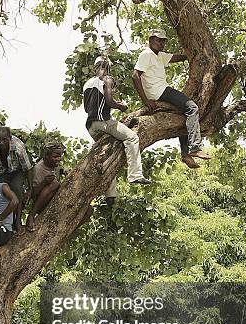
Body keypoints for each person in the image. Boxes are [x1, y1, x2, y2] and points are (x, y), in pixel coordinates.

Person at [132, 29, 211, 169]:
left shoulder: (159, 56)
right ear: (151, 40)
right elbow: (135, 76)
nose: (162, 43)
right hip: (159, 91)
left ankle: (185, 155)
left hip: (161, 90)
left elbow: (176, 57)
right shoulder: (146, 54)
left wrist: (191, 54)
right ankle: (196, 147)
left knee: (184, 114)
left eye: (163, 40)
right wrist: (145, 100)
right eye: (158, 40)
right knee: (192, 108)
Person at [84, 56, 150, 205]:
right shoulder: (107, 79)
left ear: (95, 67)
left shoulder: (87, 84)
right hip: (104, 122)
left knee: (108, 153)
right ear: (107, 67)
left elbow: (87, 108)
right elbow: (108, 100)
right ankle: (135, 175)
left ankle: (110, 195)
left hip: (91, 126)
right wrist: (120, 106)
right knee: (132, 137)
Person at [0, 126, 32, 232]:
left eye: (4, 140)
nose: (1, 143)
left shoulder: (19, 147)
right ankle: (4, 221)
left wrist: (30, 189)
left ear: (10, 138)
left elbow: (28, 168)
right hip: (4, 169)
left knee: (16, 187)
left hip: (18, 170)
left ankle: (18, 220)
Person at [26, 141, 65, 232]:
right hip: (41, 203)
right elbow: (33, 194)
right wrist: (44, 182)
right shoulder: (38, 169)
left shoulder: (55, 165)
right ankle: (31, 216)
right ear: (46, 156)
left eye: (59, 156)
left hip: (55, 199)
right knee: (55, 184)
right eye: (55, 157)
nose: (58, 159)